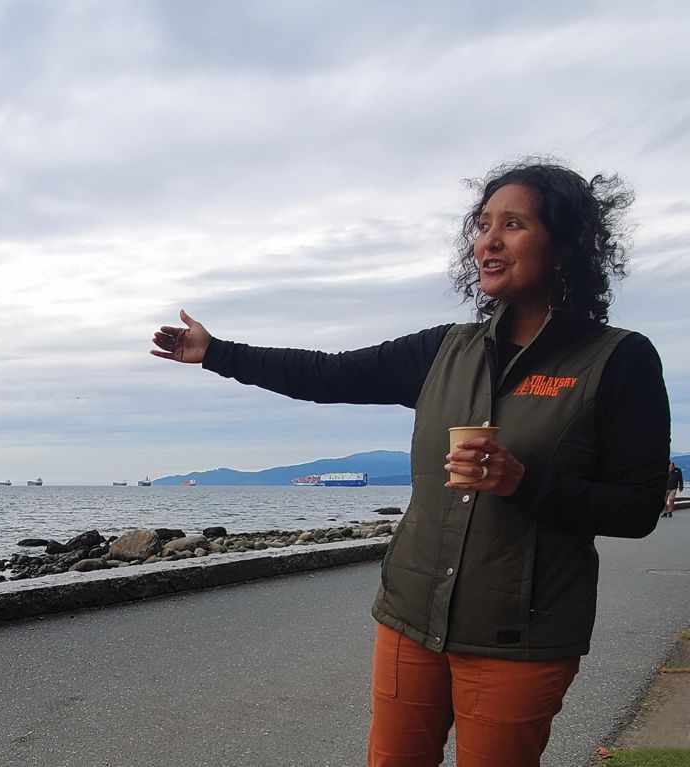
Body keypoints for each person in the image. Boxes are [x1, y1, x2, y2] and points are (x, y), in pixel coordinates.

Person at [151, 160, 671, 767]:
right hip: (409, 620)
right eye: (483, 226)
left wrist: (524, 483)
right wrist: (217, 353)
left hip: (520, 635)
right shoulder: (444, 350)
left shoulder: (618, 360)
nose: (488, 241)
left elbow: (636, 509)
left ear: (566, 246)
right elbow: (326, 374)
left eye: (513, 224)